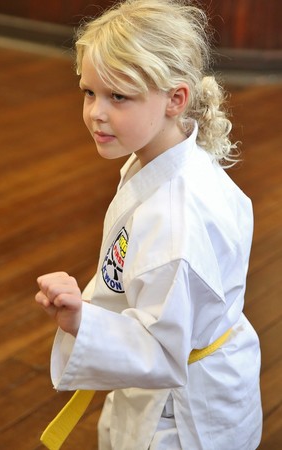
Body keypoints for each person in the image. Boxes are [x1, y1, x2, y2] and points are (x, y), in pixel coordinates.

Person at [35, 1, 262, 448]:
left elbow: (158, 349)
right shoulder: (164, 161)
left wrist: (82, 320)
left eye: (118, 96)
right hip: (176, 372)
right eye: (89, 92)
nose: (96, 113)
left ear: (176, 99)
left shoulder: (177, 223)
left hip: (183, 415)